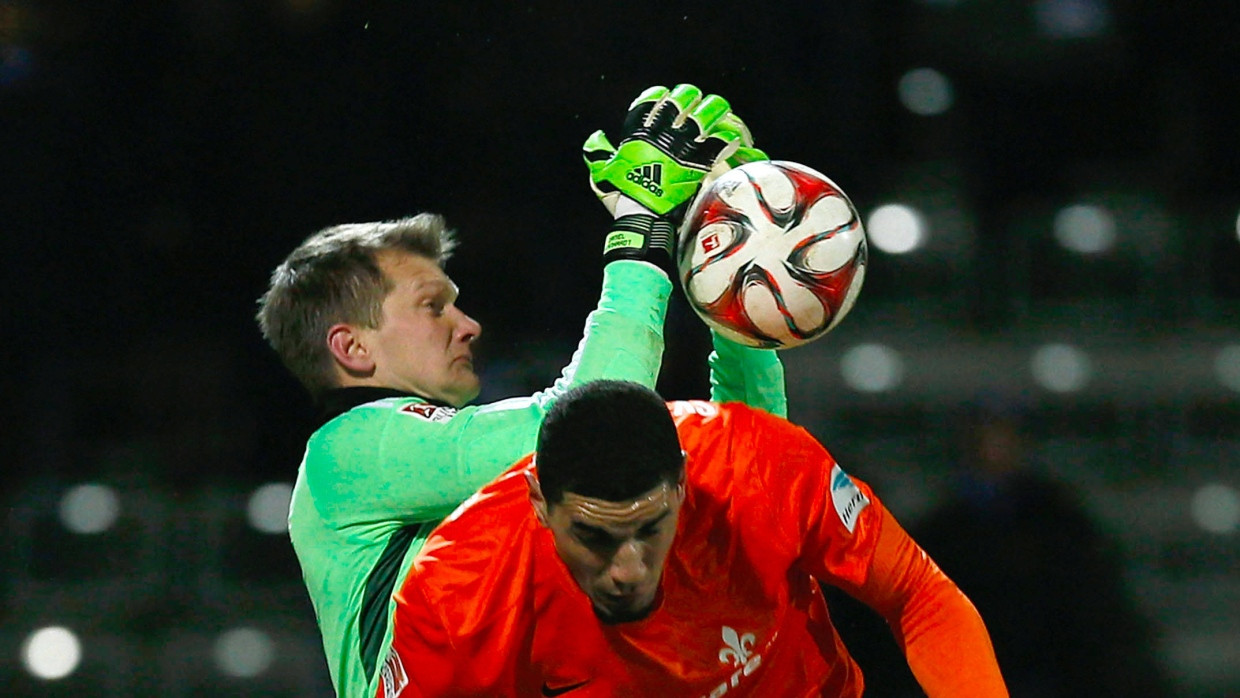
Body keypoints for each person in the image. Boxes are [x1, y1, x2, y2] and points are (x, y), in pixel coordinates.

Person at [255, 84, 786, 698]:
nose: (468, 325)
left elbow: (751, 476)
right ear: (352, 348)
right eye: (433, 307)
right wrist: (640, 233)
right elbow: (593, 429)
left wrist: (737, 287)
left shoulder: (478, 477)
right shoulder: (346, 452)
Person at [383, 380, 1008, 697]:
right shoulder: (455, 592)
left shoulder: (762, 466)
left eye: (649, 529)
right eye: (595, 537)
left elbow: (920, 596)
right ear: (538, 502)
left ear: (684, 481)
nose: (628, 569)